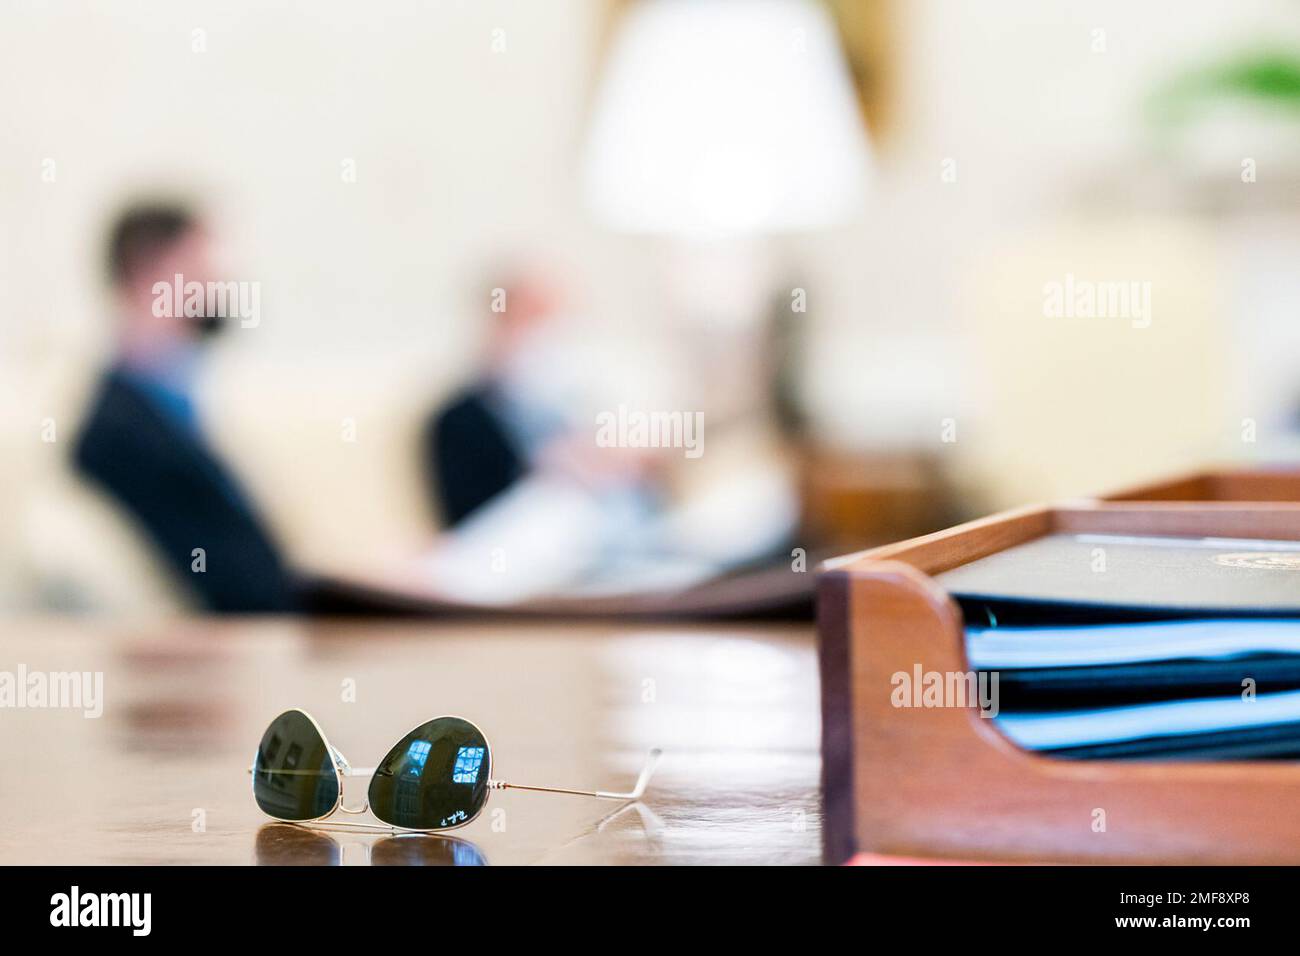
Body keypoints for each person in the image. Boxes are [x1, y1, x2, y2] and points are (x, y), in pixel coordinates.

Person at [73, 201, 298, 612]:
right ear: (149, 276)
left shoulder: (174, 403)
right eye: (201, 264)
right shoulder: (116, 434)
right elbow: (221, 578)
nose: (219, 281)